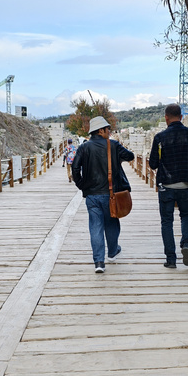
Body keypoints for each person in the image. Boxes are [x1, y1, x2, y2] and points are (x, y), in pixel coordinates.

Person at [71, 116, 135, 273]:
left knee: (95, 227)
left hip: (92, 196)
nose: (109, 132)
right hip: (111, 194)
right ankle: (112, 252)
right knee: (112, 223)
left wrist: (81, 185)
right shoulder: (112, 145)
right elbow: (130, 156)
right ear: (101, 130)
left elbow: (74, 168)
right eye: (108, 130)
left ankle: (99, 262)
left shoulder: (83, 147)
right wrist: (117, 151)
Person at [148, 103, 188, 269]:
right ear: (181, 117)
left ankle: (171, 259)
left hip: (166, 184)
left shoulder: (160, 138)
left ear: (166, 118)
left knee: (166, 221)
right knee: (186, 215)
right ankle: (186, 244)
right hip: (186, 183)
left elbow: (153, 164)